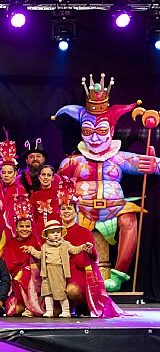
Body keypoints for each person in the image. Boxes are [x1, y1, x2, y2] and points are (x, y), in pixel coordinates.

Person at [54, 73, 160, 291]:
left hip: (114, 210)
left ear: (111, 130)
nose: (94, 138)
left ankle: (118, 275)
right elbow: (57, 186)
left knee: (129, 220)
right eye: (88, 131)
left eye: (101, 131)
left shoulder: (119, 158)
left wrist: (152, 164)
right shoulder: (72, 162)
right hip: (81, 211)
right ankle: (72, 276)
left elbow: (155, 164)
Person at [58, 178, 123, 317]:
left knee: (72, 291)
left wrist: (86, 252)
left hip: (78, 271)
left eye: (69, 208)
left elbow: (94, 256)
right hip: (59, 271)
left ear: (75, 212)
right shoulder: (55, 232)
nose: (66, 211)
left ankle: (83, 303)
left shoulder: (84, 232)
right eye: (63, 209)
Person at [22, 220, 92, 318]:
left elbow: (74, 250)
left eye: (58, 232)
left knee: (60, 291)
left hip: (58, 271)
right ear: (46, 235)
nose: (56, 234)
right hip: (46, 272)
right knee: (47, 292)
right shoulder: (45, 246)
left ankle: (66, 310)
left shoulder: (65, 244)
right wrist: (31, 250)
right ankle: (49, 310)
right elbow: (40, 256)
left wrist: (83, 247)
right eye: (52, 232)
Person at [0, 195, 44, 317]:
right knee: (15, 311)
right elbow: (9, 266)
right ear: (16, 228)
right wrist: (22, 265)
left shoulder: (37, 240)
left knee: (26, 273)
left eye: (27, 226)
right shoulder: (10, 244)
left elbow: (43, 260)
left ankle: (32, 306)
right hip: (16, 281)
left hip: (36, 278)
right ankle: (24, 304)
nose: (25, 229)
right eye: (22, 226)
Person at [0, 133, 27, 240]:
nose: (6, 175)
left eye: (9, 172)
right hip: (1, 227)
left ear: (15, 173)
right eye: (3, 172)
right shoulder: (1, 188)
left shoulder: (19, 190)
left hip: (14, 228)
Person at [30, 165, 60, 240]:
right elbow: (34, 217)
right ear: (39, 177)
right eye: (43, 174)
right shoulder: (35, 196)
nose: (46, 177)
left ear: (53, 178)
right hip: (40, 232)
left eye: (49, 175)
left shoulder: (59, 193)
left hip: (56, 230)